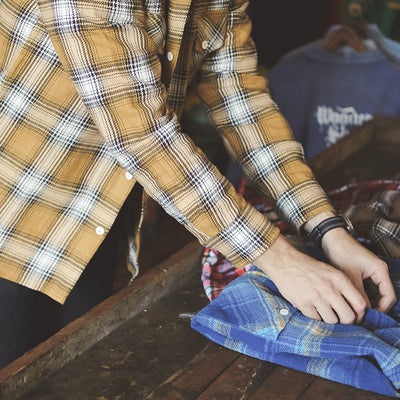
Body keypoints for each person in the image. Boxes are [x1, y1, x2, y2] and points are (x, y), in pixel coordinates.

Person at [0, 0, 396, 365]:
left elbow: (242, 103)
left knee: (73, 372)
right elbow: (143, 134)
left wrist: (329, 230)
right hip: (13, 209)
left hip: (92, 213)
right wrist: (281, 260)